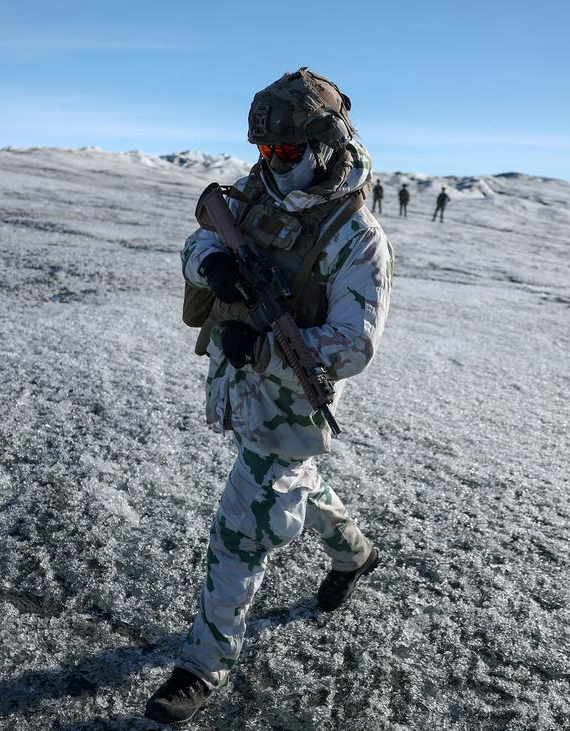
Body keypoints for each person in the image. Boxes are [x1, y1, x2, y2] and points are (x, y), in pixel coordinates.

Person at [147, 68, 393, 725]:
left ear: (324, 144)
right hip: (243, 386)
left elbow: (354, 344)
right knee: (298, 484)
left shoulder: (356, 235)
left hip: (290, 402)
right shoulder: (253, 195)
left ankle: (201, 664)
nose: (270, 162)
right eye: (263, 150)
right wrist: (214, 263)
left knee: (240, 530)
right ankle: (356, 553)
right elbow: (198, 240)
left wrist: (261, 348)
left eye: (283, 151)